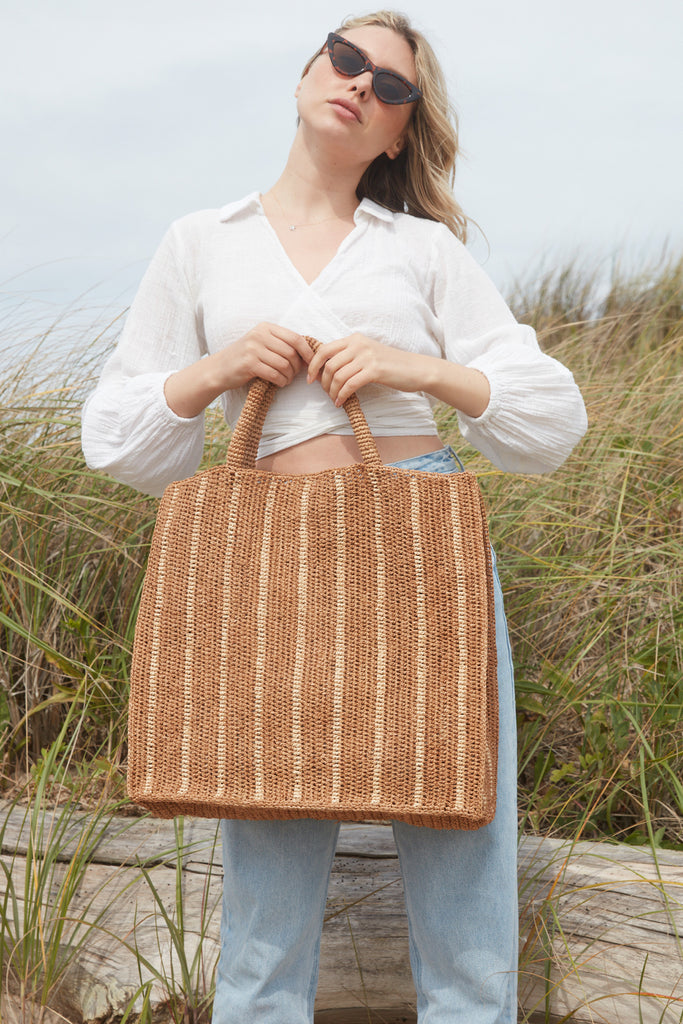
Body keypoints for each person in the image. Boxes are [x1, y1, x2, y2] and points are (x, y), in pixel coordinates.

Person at [82, 11, 587, 1023]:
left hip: (416, 550)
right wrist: (220, 369)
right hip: (266, 563)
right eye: (346, 60)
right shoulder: (199, 243)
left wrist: (415, 367)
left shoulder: (424, 250)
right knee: (264, 874)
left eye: (389, 85)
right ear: (308, 72)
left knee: (460, 844)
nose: (360, 83)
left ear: (398, 132)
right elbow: (118, 437)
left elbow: (551, 417)